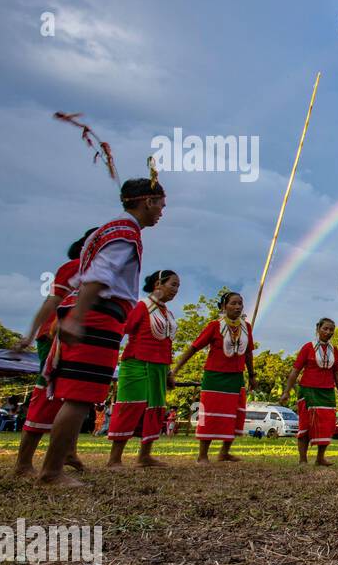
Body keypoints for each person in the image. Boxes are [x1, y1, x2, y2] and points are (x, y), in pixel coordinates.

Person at [37, 172, 167, 486]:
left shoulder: (110, 229)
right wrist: (78, 316)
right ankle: (51, 472)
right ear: (147, 201)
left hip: (93, 313)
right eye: (161, 205)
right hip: (98, 314)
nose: (162, 212)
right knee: (80, 396)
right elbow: (101, 274)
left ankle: (57, 463)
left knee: (76, 395)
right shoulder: (125, 232)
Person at [12, 228, 95, 476]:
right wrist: (29, 334)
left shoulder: (103, 275)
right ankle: (24, 462)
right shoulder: (74, 267)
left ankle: (68, 451)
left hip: (81, 339)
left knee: (75, 397)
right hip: (56, 338)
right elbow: (52, 302)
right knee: (47, 394)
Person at [171, 290, 256, 462]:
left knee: (235, 414)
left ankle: (224, 451)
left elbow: (248, 353)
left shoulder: (246, 328)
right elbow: (193, 348)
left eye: (240, 303)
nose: (238, 307)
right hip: (214, 377)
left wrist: (252, 375)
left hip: (236, 377)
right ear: (224, 306)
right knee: (209, 414)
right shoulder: (214, 326)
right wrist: (175, 370)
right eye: (233, 303)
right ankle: (202, 455)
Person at [107, 269, 179, 467]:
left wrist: (168, 372)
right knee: (130, 406)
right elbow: (123, 330)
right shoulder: (141, 306)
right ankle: (114, 459)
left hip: (159, 367)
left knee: (155, 408)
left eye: (178, 286)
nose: (176, 290)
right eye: (172, 284)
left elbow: (166, 344)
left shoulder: (167, 312)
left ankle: (144, 456)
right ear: (158, 284)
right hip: (136, 363)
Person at [281, 318, 338, 466]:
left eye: (331, 330)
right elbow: (295, 370)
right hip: (308, 390)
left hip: (327, 392)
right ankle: (303, 459)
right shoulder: (308, 347)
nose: (328, 332)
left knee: (327, 424)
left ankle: (320, 458)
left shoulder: (333, 350)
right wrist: (286, 391)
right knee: (306, 424)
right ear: (318, 329)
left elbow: (337, 374)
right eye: (325, 329)